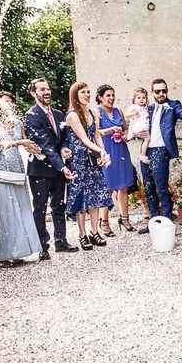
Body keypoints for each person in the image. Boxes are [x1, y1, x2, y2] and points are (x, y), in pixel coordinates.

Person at [24, 78, 78, 260]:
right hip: (40, 170)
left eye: (47, 89)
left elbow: (62, 138)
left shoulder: (58, 114)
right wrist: (62, 166)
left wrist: (64, 147)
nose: (46, 92)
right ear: (34, 93)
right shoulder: (31, 115)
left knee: (59, 205)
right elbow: (45, 146)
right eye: (41, 89)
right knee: (40, 208)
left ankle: (61, 241)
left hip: (57, 169)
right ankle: (42, 246)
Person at [138, 78, 182, 233]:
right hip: (146, 151)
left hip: (161, 150)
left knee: (161, 188)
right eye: (157, 91)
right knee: (149, 188)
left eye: (163, 90)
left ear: (167, 91)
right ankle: (153, 221)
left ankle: (166, 222)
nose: (161, 94)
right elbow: (136, 122)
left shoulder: (172, 105)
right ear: (153, 93)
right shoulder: (148, 108)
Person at [64, 82, 114, 250]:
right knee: (81, 197)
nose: (87, 95)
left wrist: (103, 152)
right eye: (83, 92)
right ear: (75, 95)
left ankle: (94, 231)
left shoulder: (94, 112)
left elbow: (96, 135)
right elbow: (84, 139)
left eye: (88, 92)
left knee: (95, 195)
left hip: (92, 158)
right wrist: (100, 151)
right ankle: (82, 234)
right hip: (78, 160)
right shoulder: (72, 115)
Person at [0, 93, 43, 264]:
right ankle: (2, 255)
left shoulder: (18, 123)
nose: (7, 104)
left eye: (10, 102)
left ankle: (16, 252)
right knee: (4, 213)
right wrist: (21, 142)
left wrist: (35, 150)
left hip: (17, 171)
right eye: (4, 101)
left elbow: (25, 143)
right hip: (0, 172)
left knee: (19, 210)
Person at [97, 84, 136, 234]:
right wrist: (109, 130)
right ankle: (104, 222)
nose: (111, 98)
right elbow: (95, 133)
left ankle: (124, 218)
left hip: (121, 151)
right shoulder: (97, 112)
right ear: (100, 97)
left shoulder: (118, 111)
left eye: (113, 95)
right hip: (107, 151)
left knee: (123, 186)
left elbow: (126, 129)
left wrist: (126, 136)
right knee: (108, 187)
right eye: (108, 95)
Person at [124, 87, 151, 165]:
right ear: (134, 99)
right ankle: (142, 154)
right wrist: (133, 113)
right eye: (139, 98)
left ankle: (143, 154)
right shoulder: (134, 107)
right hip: (138, 128)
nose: (141, 99)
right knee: (147, 139)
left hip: (143, 127)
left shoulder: (145, 108)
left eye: (143, 98)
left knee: (147, 139)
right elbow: (126, 114)